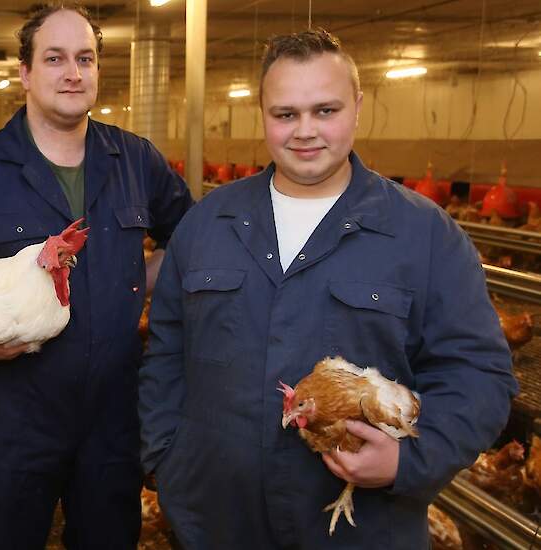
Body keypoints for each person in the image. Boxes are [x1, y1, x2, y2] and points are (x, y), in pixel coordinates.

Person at [139, 28, 517, 549]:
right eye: (285, 114)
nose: (305, 132)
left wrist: (409, 459)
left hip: (361, 527)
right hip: (217, 521)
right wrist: (169, 457)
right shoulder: (208, 225)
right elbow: (165, 353)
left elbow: (480, 374)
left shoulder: (424, 235)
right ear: (263, 113)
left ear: (358, 108)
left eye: (326, 111)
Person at [0, 3, 193, 548]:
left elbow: (190, 238)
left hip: (113, 418)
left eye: (85, 58)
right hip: (10, 418)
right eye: (55, 58)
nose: (73, 72)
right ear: (24, 73)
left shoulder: (135, 159)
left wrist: (140, 277)